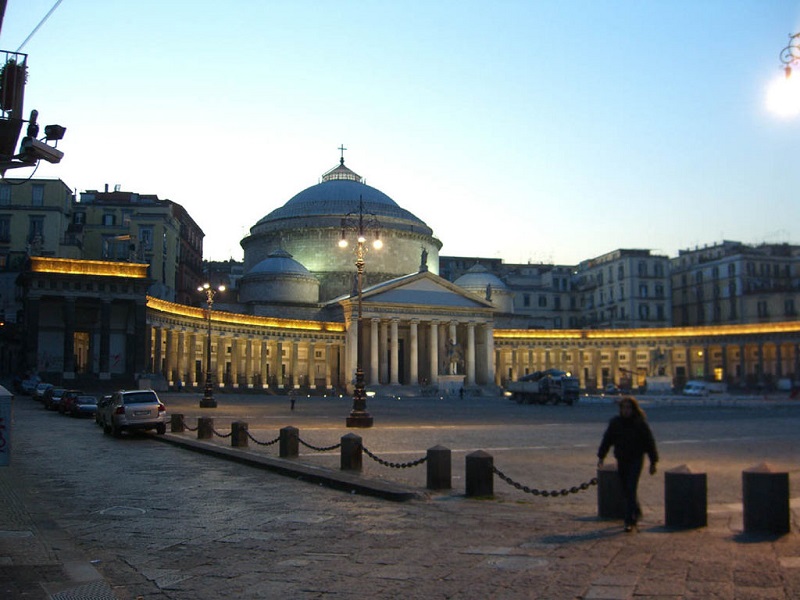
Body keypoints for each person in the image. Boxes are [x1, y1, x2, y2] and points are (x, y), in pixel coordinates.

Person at [597, 396, 658, 532]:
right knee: (626, 489)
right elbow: (607, 440)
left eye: (628, 408)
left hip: (636, 459)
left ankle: (629, 520)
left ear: (633, 409)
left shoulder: (640, 423)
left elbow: (649, 443)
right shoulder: (615, 423)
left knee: (631, 487)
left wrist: (653, 461)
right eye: (623, 408)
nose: (626, 411)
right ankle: (635, 510)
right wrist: (601, 456)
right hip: (622, 459)